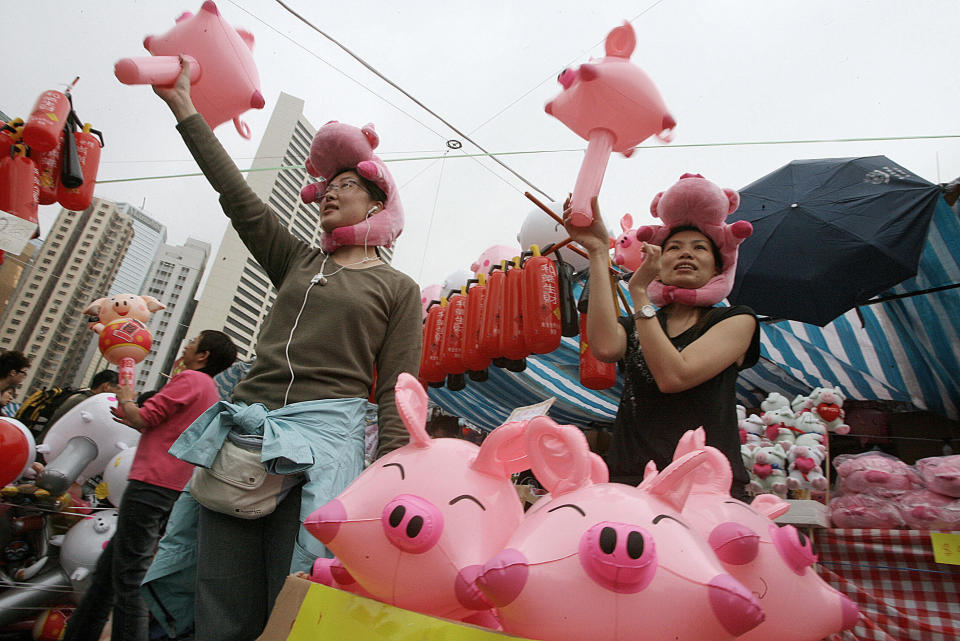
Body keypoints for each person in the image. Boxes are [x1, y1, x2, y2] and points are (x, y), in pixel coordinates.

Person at [142, 58, 422, 641]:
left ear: (378, 203)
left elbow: (399, 392)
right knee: (219, 595)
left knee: (294, 592)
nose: (328, 195)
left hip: (324, 451)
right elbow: (238, 198)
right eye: (325, 187)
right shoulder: (298, 259)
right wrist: (184, 109)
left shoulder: (398, 289)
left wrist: (391, 477)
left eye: (346, 185)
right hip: (244, 437)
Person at [565, 192, 759, 501]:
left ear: (716, 269)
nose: (686, 254)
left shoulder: (736, 319)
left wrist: (639, 292)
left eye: (699, 248)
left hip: (703, 485)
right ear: (657, 261)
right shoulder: (640, 324)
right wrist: (599, 252)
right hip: (631, 480)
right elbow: (602, 347)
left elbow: (674, 377)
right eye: (674, 248)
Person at [63, 330, 237, 641]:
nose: (188, 343)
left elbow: (145, 419)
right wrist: (128, 409)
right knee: (108, 571)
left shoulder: (190, 379)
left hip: (152, 482)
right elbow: (151, 420)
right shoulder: (209, 390)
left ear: (204, 355)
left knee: (129, 574)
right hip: (172, 485)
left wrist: (129, 400)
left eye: (195, 340)